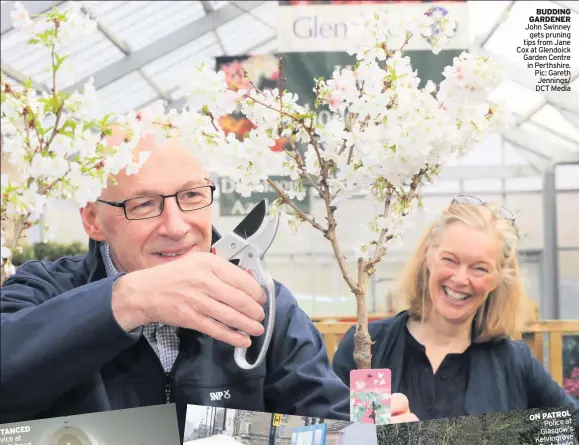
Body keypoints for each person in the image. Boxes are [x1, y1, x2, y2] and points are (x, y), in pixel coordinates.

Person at [0, 130, 415, 437]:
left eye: (193, 197)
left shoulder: (263, 304)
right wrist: (130, 301)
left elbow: (322, 419)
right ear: (93, 220)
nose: (177, 226)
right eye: (145, 204)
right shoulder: (46, 290)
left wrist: (378, 431)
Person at [333, 196, 579, 422]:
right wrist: (370, 436)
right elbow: (324, 433)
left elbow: (569, 427)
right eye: (450, 260)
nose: (461, 279)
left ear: (498, 279)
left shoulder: (513, 363)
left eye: (480, 268)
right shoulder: (369, 347)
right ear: (428, 256)